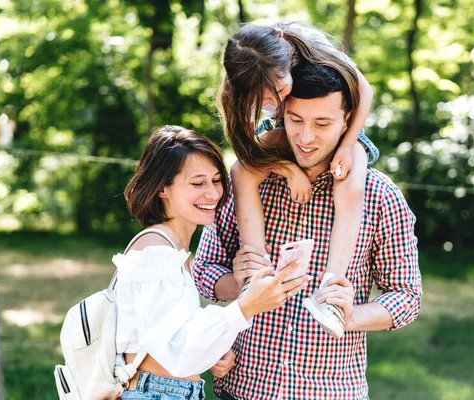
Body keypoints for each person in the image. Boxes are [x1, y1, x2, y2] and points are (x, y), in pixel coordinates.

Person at [194, 61, 422, 399]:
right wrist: (237, 282)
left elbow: (407, 297)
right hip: (243, 389)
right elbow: (203, 270)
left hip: (330, 391)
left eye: (322, 123)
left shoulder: (380, 197)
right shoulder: (248, 182)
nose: (305, 137)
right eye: (296, 120)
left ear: (349, 121)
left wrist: (351, 315)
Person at [114, 125, 312, 400]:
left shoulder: (172, 249)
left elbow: (170, 339)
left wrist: (214, 353)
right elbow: (177, 352)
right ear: (163, 189)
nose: (213, 194)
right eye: (197, 183)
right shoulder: (155, 254)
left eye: (217, 180)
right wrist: (246, 307)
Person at [217, 22, 379, 337]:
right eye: (262, 99)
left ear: (286, 63)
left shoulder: (313, 50)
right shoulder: (236, 97)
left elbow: (365, 90)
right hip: (286, 132)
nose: (273, 102)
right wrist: (289, 170)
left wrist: (347, 145)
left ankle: (330, 293)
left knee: (350, 178)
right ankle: (256, 272)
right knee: (240, 172)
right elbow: (248, 155)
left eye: (278, 91)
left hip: (337, 131)